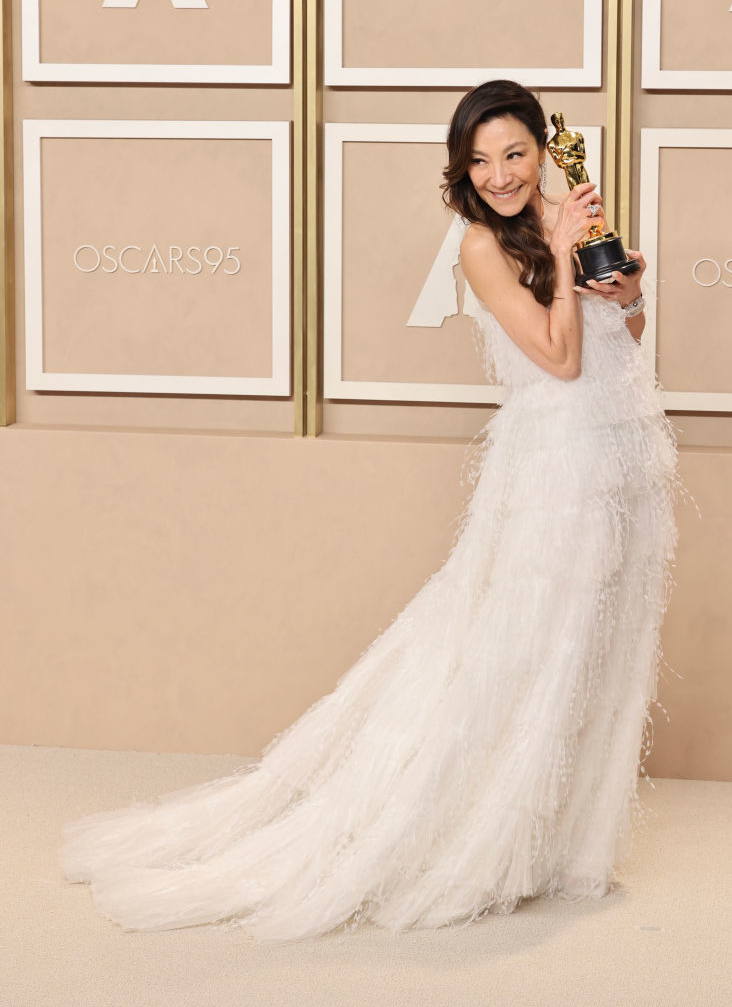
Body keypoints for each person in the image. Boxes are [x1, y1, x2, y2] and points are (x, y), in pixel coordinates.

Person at [61, 80, 683, 944]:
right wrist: (572, 265)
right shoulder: (477, 245)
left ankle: (554, 845)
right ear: (461, 169)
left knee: (592, 652)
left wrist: (625, 290)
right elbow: (557, 358)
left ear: (543, 149)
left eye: (514, 153)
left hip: (621, 458)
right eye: (480, 160)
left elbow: (624, 342)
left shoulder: (566, 211)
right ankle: (471, 839)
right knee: (519, 652)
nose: (500, 174)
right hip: (556, 468)